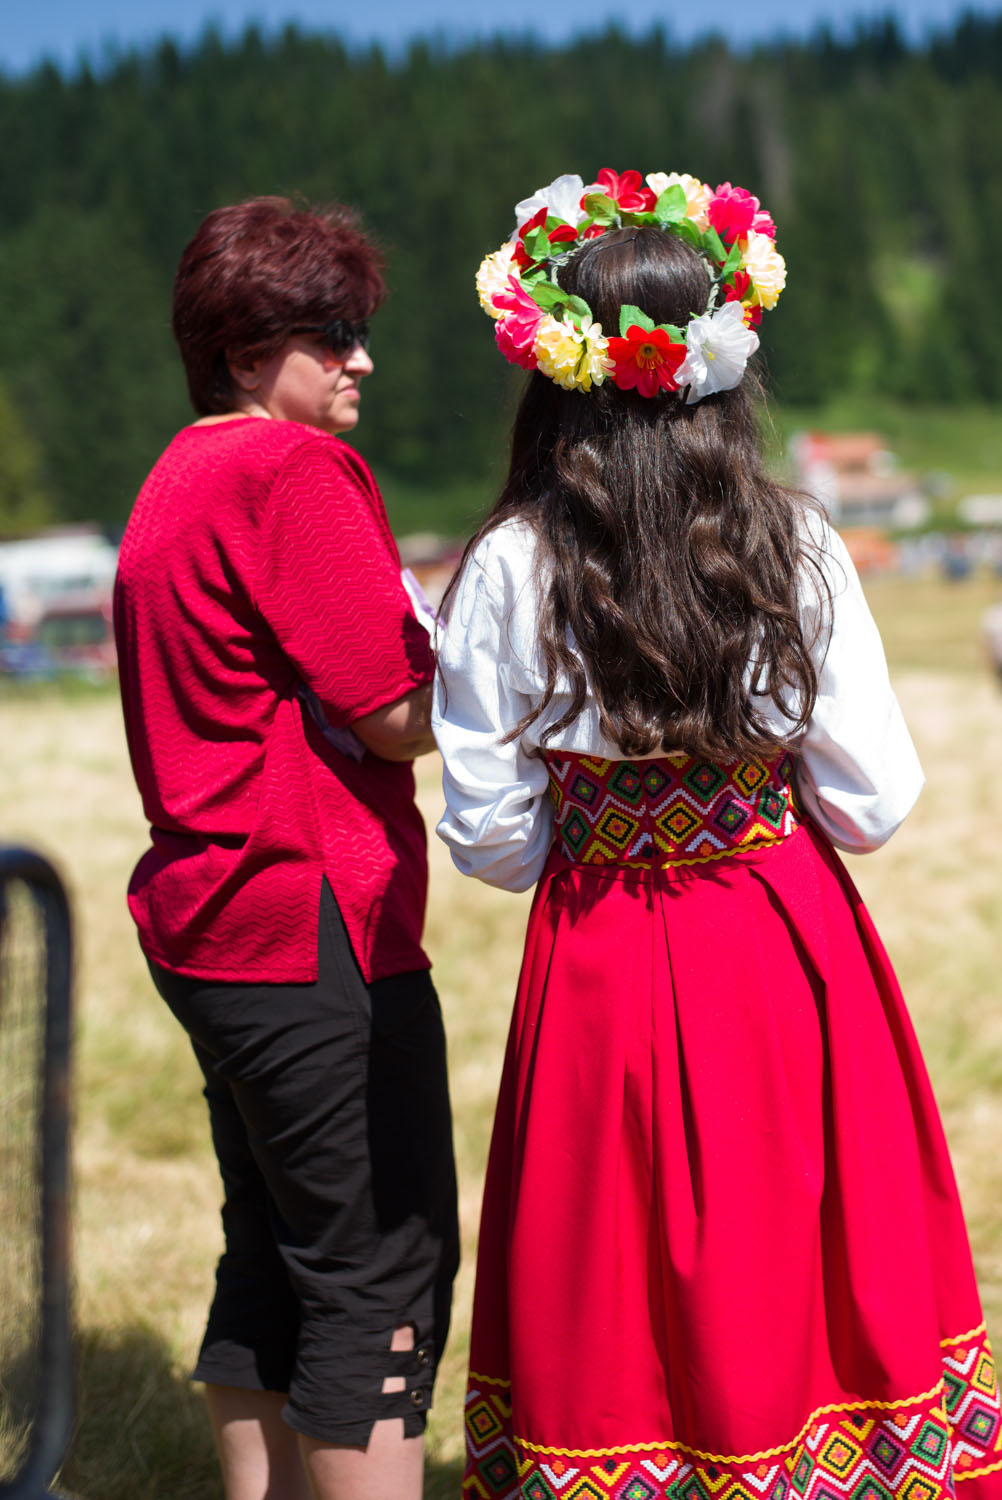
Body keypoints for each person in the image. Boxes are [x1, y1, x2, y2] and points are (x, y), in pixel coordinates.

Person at [433, 171, 1002, 1500]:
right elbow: (871, 804)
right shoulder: (795, 543)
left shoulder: (508, 565)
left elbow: (491, 842)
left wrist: (603, 820)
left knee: (610, 1260)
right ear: (722, 365)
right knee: (800, 1243)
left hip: (597, 958)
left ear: (553, 371)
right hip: (778, 935)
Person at [114, 196, 459, 1500]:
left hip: (207, 914)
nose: (360, 358)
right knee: (379, 1263)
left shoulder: (178, 471)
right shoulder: (288, 471)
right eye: (334, 333)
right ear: (249, 343)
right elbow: (386, 714)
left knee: (269, 1244)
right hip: (306, 911)